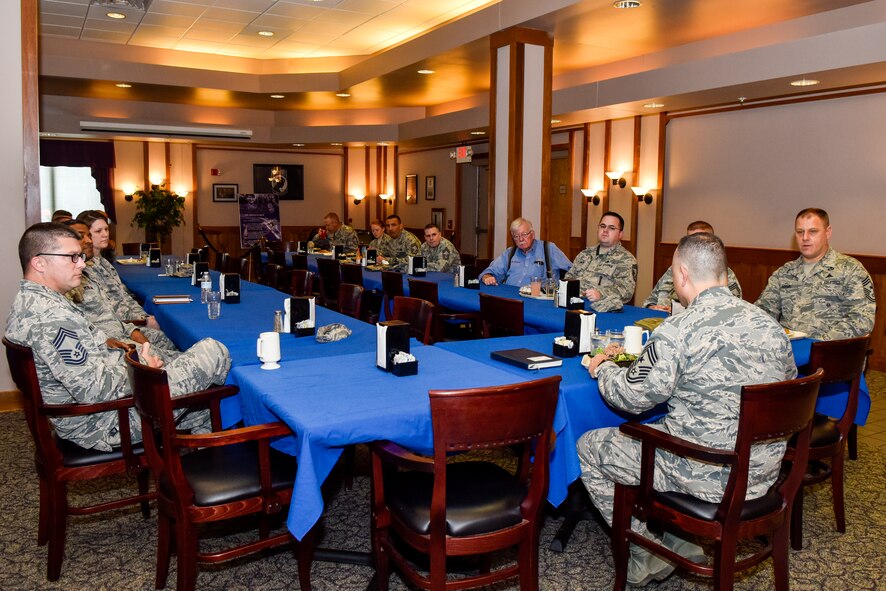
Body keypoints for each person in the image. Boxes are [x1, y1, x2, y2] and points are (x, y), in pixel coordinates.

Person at [577, 232, 796, 586]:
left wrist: (602, 368)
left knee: (588, 446)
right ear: (724, 273)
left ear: (681, 274)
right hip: (762, 471)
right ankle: (678, 539)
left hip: (702, 472)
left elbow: (630, 397)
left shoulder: (677, 330)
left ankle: (647, 551)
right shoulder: (770, 327)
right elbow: (787, 390)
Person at [5, 223, 231, 452]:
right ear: (39, 263)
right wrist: (143, 368)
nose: (81, 263)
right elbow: (93, 389)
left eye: (80, 256)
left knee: (207, 399)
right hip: (106, 422)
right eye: (72, 257)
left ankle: (203, 463)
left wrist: (140, 360)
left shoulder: (34, 301)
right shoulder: (52, 318)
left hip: (103, 408)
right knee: (213, 350)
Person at [62, 219, 178, 359]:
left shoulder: (89, 269)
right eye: (82, 236)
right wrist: (141, 322)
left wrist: (134, 329)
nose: (89, 240)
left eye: (89, 235)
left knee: (171, 341)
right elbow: (90, 328)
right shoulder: (66, 284)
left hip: (122, 330)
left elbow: (116, 303)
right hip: (111, 346)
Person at [755, 208, 875, 340]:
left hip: (831, 349)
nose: (805, 238)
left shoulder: (851, 270)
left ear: (828, 232)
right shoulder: (784, 273)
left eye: (813, 231)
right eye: (800, 232)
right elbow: (763, 312)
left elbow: (862, 320)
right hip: (788, 348)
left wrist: (820, 344)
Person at [76, 210, 159, 328]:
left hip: (129, 319)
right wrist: (143, 320)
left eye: (106, 229)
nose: (105, 234)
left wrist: (143, 316)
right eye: (98, 231)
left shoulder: (102, 261)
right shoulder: (83, 267)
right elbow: (110, 306)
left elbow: (123, 296)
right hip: (119, 326)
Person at [642, 220, 742, 310]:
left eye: (698, 241)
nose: (692, 245)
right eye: (689, 240)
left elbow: (730, 311)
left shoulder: (725, 275)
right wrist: (651, 307)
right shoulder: (674, 269)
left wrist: (676, 311)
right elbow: (651, 299)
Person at [563, 211, 637, 312]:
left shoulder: (626, 259)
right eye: (603, 226)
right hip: (574, 305)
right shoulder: (585, 254)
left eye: (611, 228)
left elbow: (626, 291)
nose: (605, 230)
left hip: (601, 310)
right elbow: (569, 277)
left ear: (620, 234)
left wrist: (601, 294)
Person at [479, 218, 571, 287]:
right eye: (516, 236)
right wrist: (487, 276)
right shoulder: (510, 253)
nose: (521, 239)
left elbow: (572, 272)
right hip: (510, 298)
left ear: (532, 235)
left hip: (538, 299)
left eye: (524, 234)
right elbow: (491, 271)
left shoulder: (549, 249)